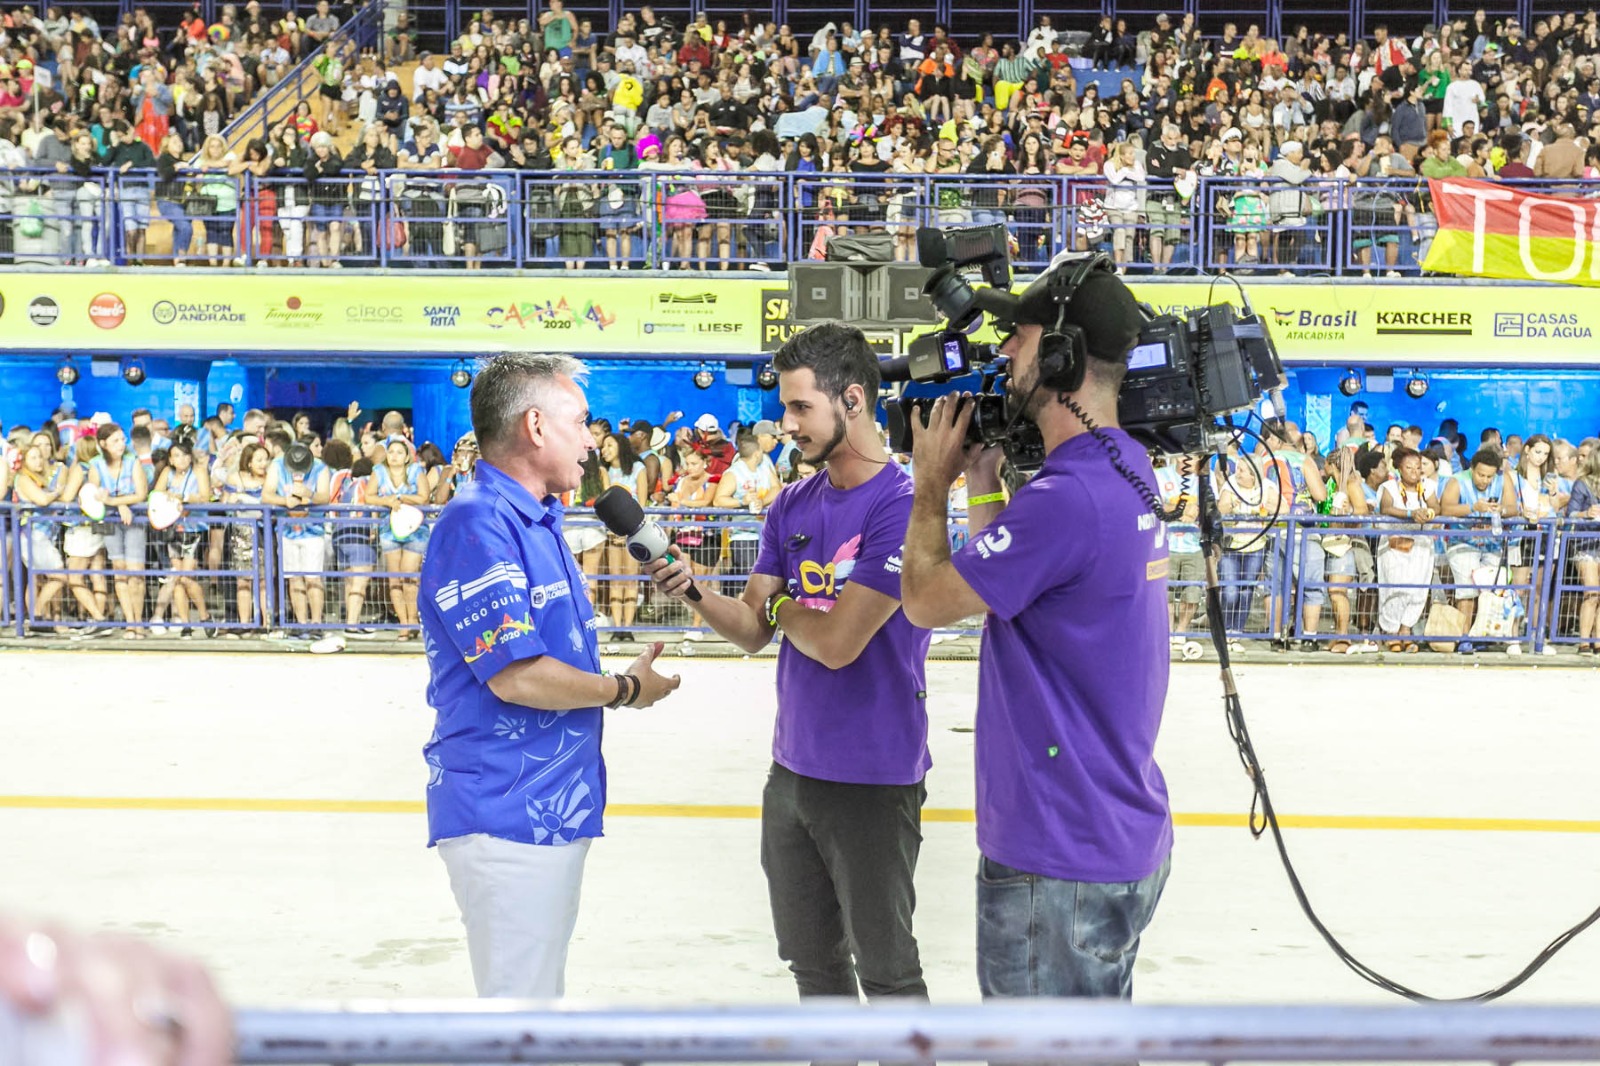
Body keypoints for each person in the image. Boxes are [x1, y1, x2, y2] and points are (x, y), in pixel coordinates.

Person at [899, 258, 1172, 1000]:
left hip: (1059, 855)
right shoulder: (1123, 466)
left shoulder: (1064, 500)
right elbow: (1003, 592)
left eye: (1017, 341)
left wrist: (930, 486)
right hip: (1110, 833)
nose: (1005, 359)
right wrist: (983, 479)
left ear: (1061, 356)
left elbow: (925, 600)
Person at [643, 322, 934, 1010]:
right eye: (786, 407)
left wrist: (780, 612)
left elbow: (838, 643)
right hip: (792, 772)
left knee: (889, 974)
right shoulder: (794, 503)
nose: (787, 422)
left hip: (873, 777)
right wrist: (695, 590)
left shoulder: (903, 505)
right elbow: (751, 628)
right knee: (814, 969)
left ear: (853, 400)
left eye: (801, 407)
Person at [420, 352, 680, 1001]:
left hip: (549, 806)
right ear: (537, 427)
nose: (592, 440)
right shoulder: (478, 522)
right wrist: (623, 691)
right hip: (508, 812)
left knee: (536, 1004)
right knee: (520, 1017)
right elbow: (516, 675)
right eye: (582, 421)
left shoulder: (536, 519)